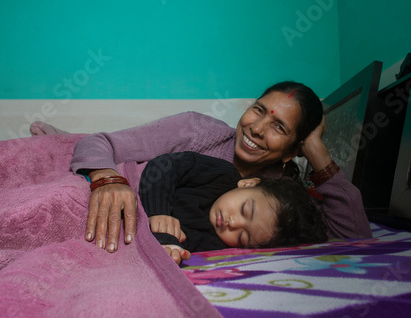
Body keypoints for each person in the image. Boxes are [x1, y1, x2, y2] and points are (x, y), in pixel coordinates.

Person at [68, 81, 372, 253]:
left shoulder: (281, 199)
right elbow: (99, 144)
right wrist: (108, 178)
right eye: (258, 111)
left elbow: (354, 237)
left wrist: (318, 153)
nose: (257, 128)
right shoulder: (197, 130)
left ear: (293, 150)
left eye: (279, 127)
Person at [139, 151, 327, 264]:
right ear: (249, 184)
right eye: (245, 210)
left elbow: (171, 242)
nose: (233, 223)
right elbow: (166, 166)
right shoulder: (223, 175)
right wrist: (158, 212)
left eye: (242, 236)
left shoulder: (215, 243)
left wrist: (169, 244)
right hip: (130, 184)